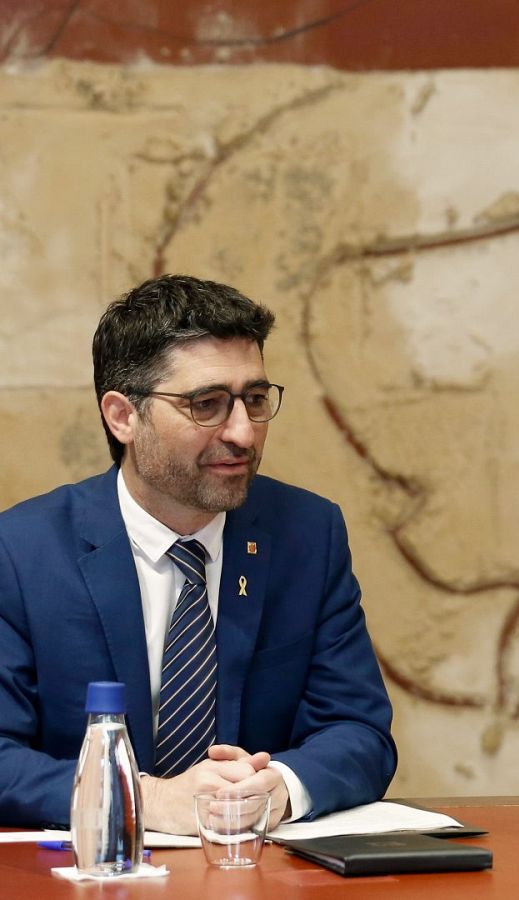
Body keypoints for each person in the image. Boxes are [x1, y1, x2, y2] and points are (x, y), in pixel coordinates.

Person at [0, 275, 396, 832]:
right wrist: (145, 800)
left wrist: (279, 786)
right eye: (206, 405)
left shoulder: (307, 532)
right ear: (123, 417)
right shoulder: (21, 552)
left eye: (255, 400)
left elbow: (359, 730)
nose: (243, 433)